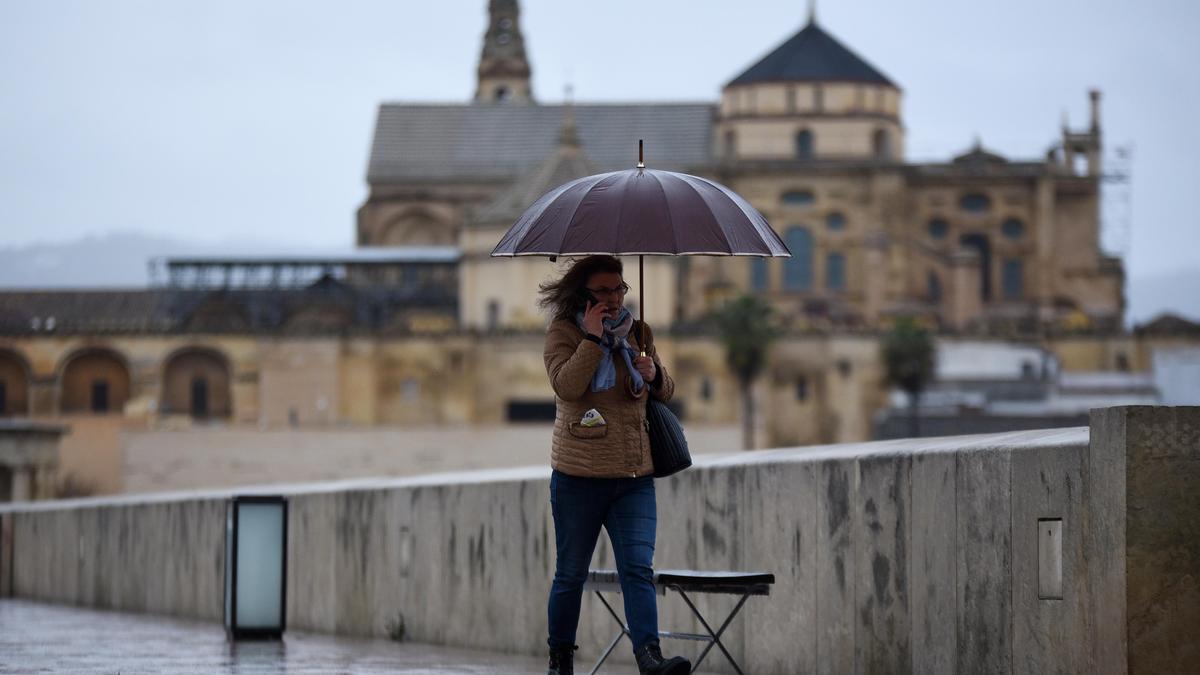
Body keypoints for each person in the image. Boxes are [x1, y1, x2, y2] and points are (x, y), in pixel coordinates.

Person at [539, 255, 691, 675]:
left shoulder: (638, 332)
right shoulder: (562, 333)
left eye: (619, 288)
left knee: (638, 569)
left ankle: (649, 657)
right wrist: (591, 341)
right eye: (603, 290)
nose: (613, 298)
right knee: (571, 574)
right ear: (583, 294)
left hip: (633, 474)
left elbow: (665, 391)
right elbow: (567, 387)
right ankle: (560, 661)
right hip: (579, 476)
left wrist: (654, 371)